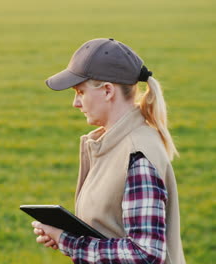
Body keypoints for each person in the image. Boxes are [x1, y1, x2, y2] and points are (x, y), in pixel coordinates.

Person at [31, 38, 186, 264]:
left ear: (107, 91)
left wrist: (68, 242)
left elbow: (146, 254)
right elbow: (111, 228)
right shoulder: (111, 144)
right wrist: (69, 236)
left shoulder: (137, 154)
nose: (75, 103)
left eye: (80, 92)